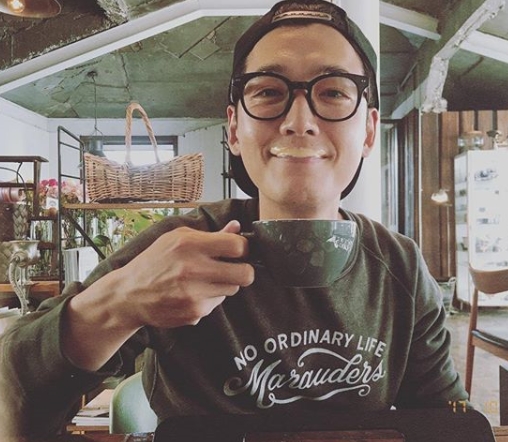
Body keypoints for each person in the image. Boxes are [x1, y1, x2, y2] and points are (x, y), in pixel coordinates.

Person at [0, 0, 468, 438]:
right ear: (234, 129)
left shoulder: (399, 267)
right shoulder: (178, 247)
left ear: (368, 130)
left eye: (332, 92)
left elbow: (447, 424)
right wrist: (118, 302)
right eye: (268, 91)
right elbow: (13, 385)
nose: (299, 120)